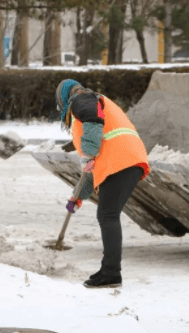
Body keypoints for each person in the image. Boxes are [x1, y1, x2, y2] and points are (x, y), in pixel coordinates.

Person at [55, 79, 150, 289]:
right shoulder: (94, 103)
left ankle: (111, 273)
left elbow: (92, 121)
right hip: (127, 158)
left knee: (107, 215)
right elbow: (91, 171)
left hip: (121, 159)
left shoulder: (81, 99)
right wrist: (77, 197)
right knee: (108, 214)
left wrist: (87, 153)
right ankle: (109, 270)